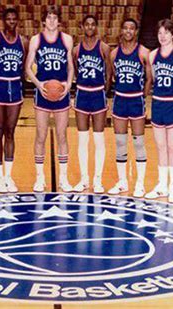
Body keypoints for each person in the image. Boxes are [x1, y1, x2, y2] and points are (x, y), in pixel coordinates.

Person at [25, 5, 74, 192]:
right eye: (49, 17)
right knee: (41, 135)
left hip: (61, 91)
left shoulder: (67, 39)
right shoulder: (36, 39)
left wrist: (69, 84)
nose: (52, 21)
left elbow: (70, 66)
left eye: (55, 17)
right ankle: (40, 178)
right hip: (43, 91)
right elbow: (28, 67)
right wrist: (39, 85)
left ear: (59, 21)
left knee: (62, 136)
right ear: (43, 21)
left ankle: (63, 179)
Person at [0, 8, 28, 193]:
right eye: (8, 19)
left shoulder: (23, 42)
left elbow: (24, 67)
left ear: (17, 21)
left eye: (14, 19)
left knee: (10, 132)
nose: (11, 22)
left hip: (15, 88)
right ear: (3, 21)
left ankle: (8, 176)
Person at [108, 18, 152, 197]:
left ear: (136, 31)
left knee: (139, 142)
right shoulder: (113, 54)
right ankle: (122, 181)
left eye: (131, 28)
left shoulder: (143, 52)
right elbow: (112, 76)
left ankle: (140, 183)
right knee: (120, 141)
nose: (128, 31)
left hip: (136, 100)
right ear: (121, 30)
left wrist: (144, 96)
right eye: (125, 28)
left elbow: (149, 78)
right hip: (120, 99)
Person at [146, 19, 173, 203]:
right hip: (158, 103)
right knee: (161, 147)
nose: (162, 36)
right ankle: (162, 185)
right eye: (160, 33)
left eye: (166, 32)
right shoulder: (153, 55)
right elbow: (154, 78)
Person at [72, 15, 112, 193]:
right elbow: (75, 71)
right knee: (82, 139)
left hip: (98, 95)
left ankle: (98, 180)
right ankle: (84, 179)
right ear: (82, 27)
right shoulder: (76, 50)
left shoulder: (104, 48)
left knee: (98, 138)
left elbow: (109, 74)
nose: (89, 27)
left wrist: (105, 93)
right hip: (82, 94)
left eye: (92, 24)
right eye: (86, 24)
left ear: (96, 27)